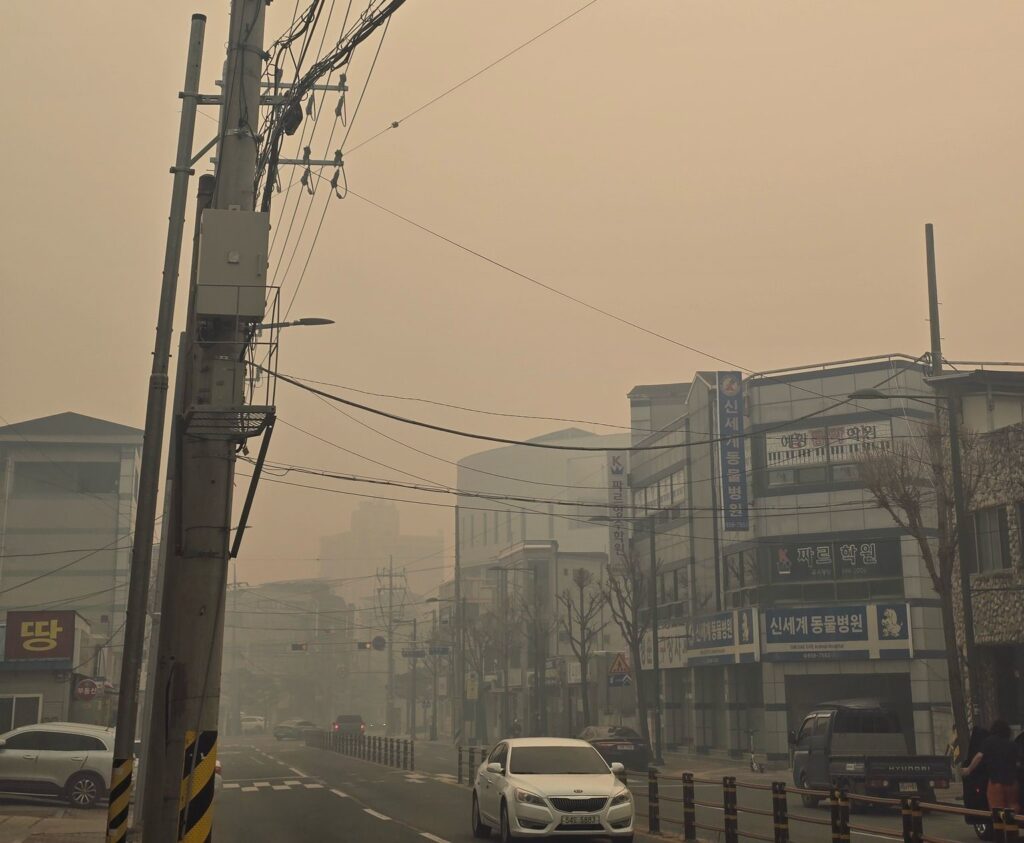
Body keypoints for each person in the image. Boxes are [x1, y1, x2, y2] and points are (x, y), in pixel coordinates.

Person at [963, 719, 1021, 813]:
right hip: (1012, 783)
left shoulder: (989, 742)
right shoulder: (1012, 744)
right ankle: (1011, 826)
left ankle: (1000, 827)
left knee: (998, 809)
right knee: (1012, 807)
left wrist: (969, 769)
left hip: (996, 782)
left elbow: (979, 756)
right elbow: (1018, 763)